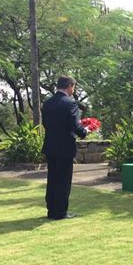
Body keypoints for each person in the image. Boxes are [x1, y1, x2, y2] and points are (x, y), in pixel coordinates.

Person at [42, 76, 89, 220]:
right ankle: (61, 212)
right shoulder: (70, 103)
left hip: (50, 146)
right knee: (63, 180)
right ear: (69, 86)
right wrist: (85, 131)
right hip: (65, 147)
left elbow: (46, 124)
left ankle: (51, 210)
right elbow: (75, 126)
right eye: (73, 86)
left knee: (53, 179)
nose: (73, 89)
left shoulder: (48, 103)